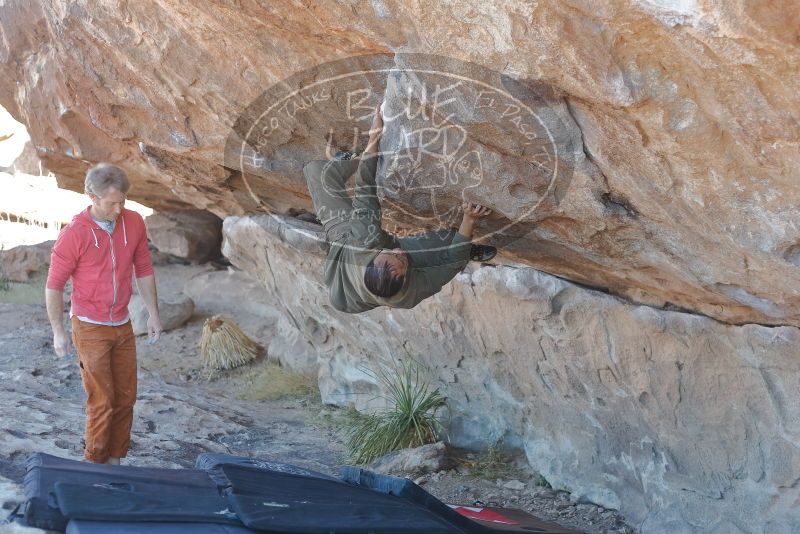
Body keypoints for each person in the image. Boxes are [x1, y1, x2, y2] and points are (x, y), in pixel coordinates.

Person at [304, 105, 496, 313]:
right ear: (405, 279)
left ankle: (355, 156)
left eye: (392, 255)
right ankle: (468, 250)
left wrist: (374, 138)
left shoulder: (362, 239)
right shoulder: (410, 294)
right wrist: (468, 219)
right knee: (452, 242)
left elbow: (365, 189)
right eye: (401, 261)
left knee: (316, 171)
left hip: (344, 240)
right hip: (355, 294)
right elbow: (450, 264)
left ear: (374, 258)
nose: (399, 252)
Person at [45, 163, 162, 464]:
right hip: (89, 326)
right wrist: (59, 331)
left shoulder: (134, 222)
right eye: (112, 203)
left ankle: (116, 462)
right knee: (102, 400)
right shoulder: (74, 233)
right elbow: (54, 285)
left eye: (123, 201)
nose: (119, 209)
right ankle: (93, 465)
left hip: (122, 324)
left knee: (125, 398)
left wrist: (153, 315)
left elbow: (144, 269)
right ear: (91, 197)